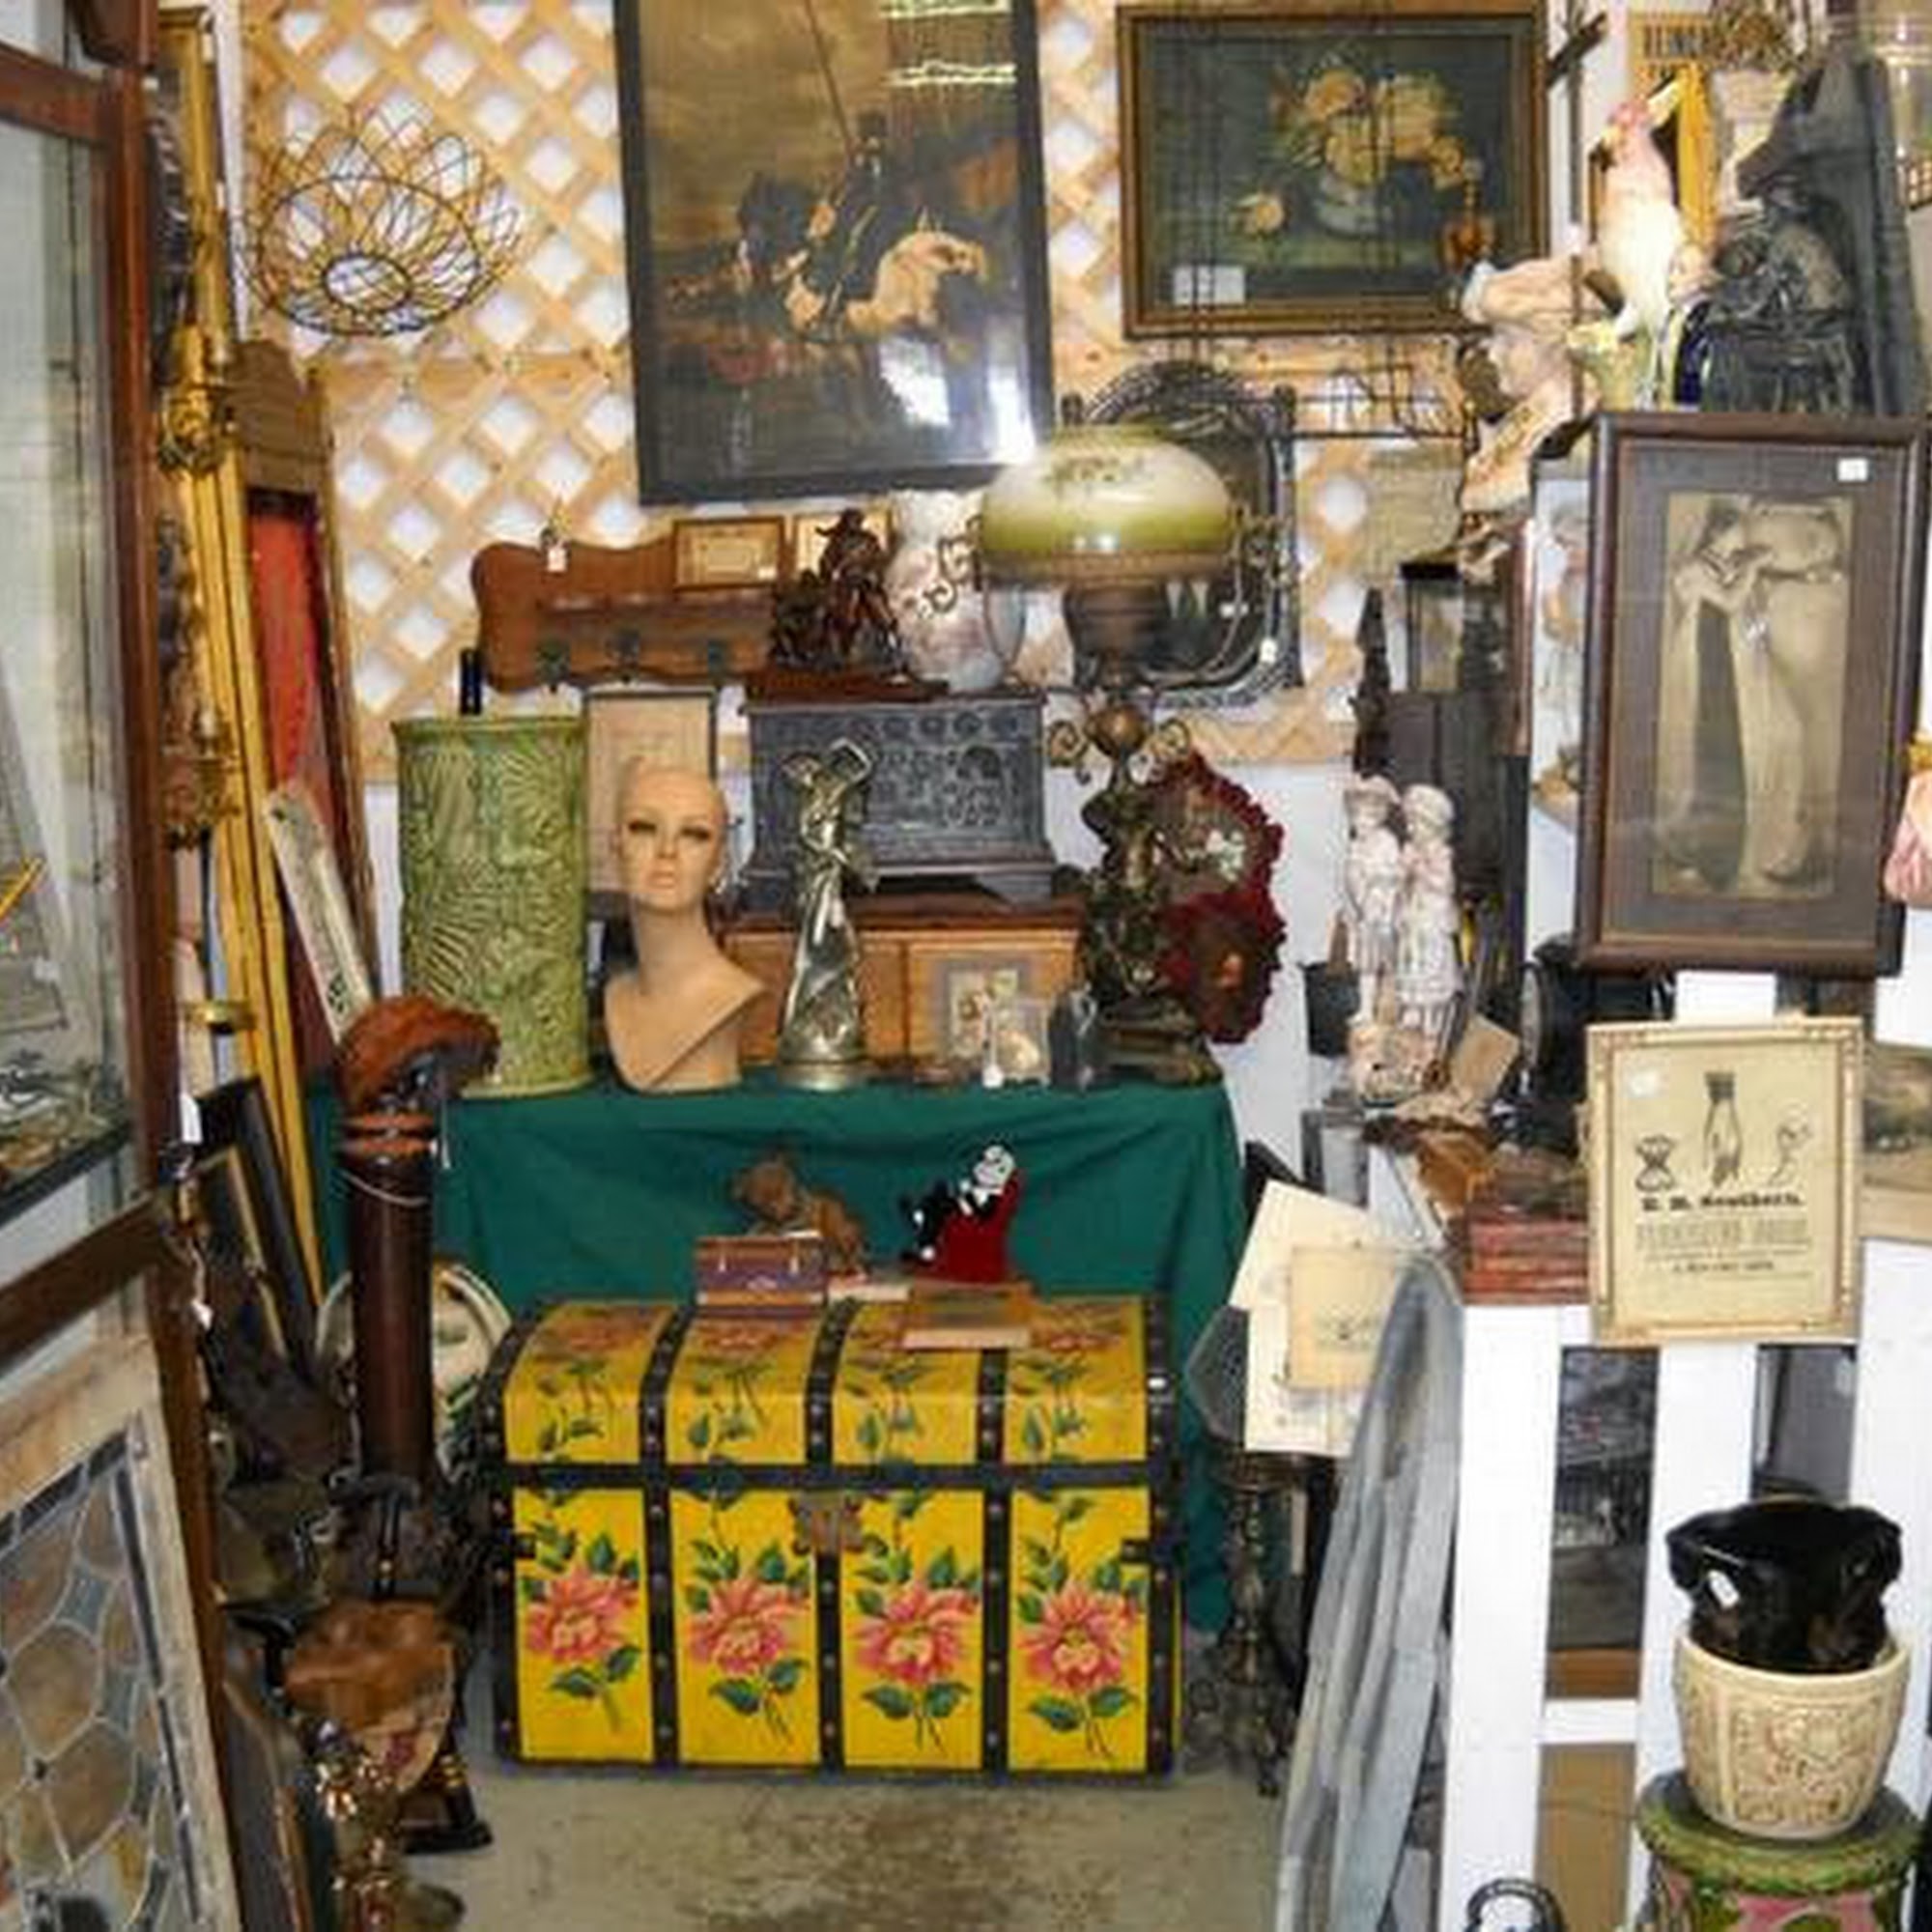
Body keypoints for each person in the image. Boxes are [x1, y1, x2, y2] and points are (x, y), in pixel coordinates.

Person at [603, 763, 760, 1094]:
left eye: (694, 834)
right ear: (616, 850)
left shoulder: (732, 995)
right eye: (645, 828)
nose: (667, 851)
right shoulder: (615, 995)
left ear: (719, 864)